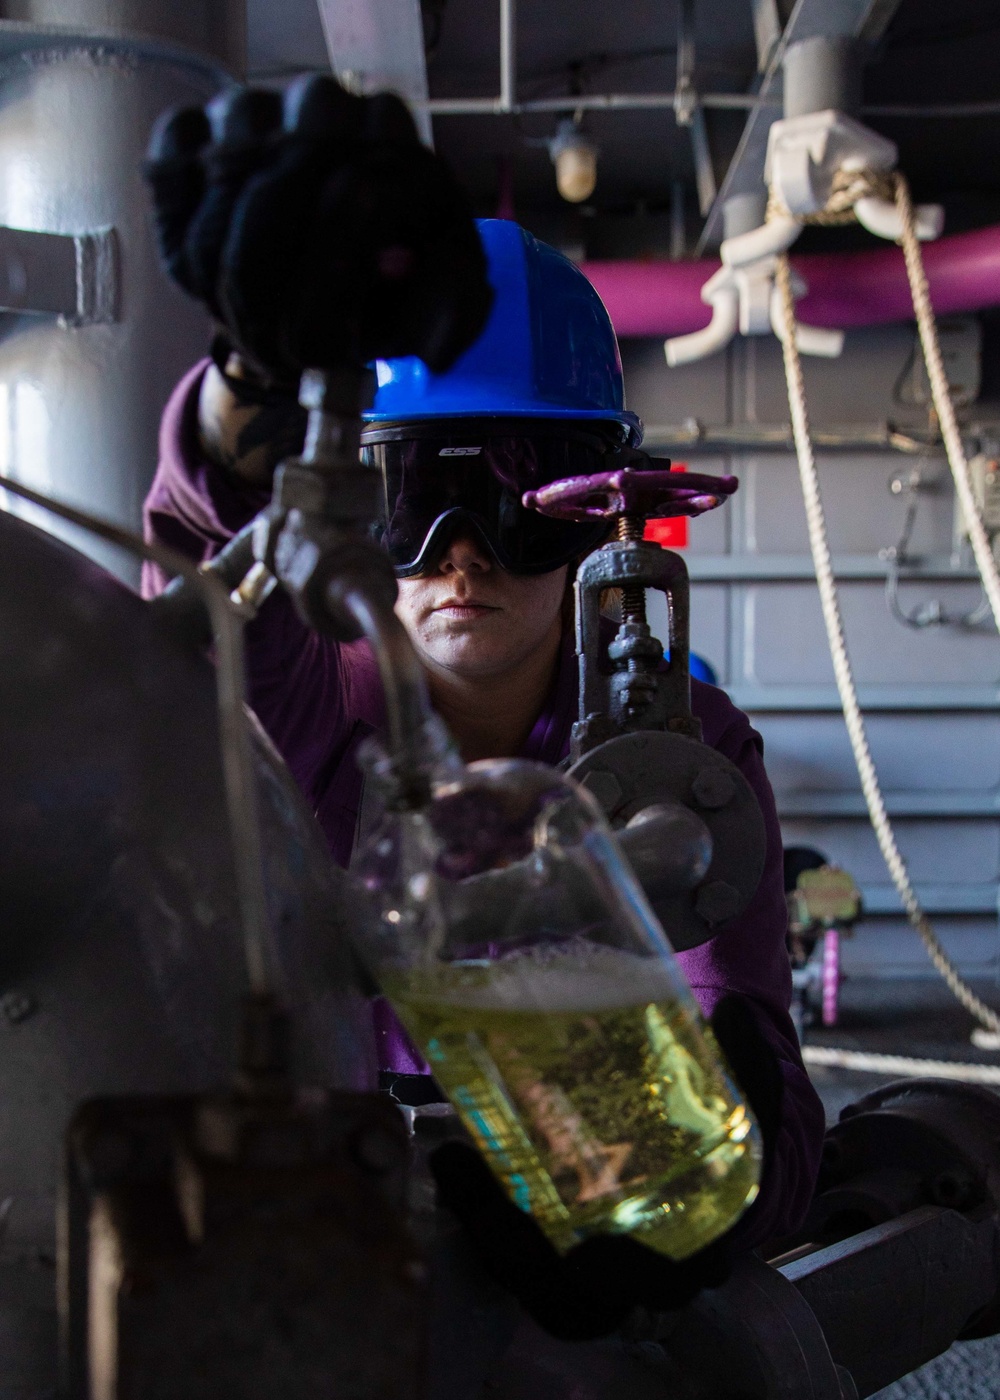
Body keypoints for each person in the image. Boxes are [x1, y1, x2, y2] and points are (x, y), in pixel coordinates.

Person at [142, 85, 824, 1339]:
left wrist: (688, 1214)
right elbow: (199, 577)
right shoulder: (295, 702)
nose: (463, 559)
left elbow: (763, 1111)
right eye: (417, 499)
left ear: (598, 509)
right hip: (309, 1256)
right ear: (345, 499)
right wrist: (250, 383)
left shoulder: (679, 753)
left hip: (572, 1268)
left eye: (517, 498)